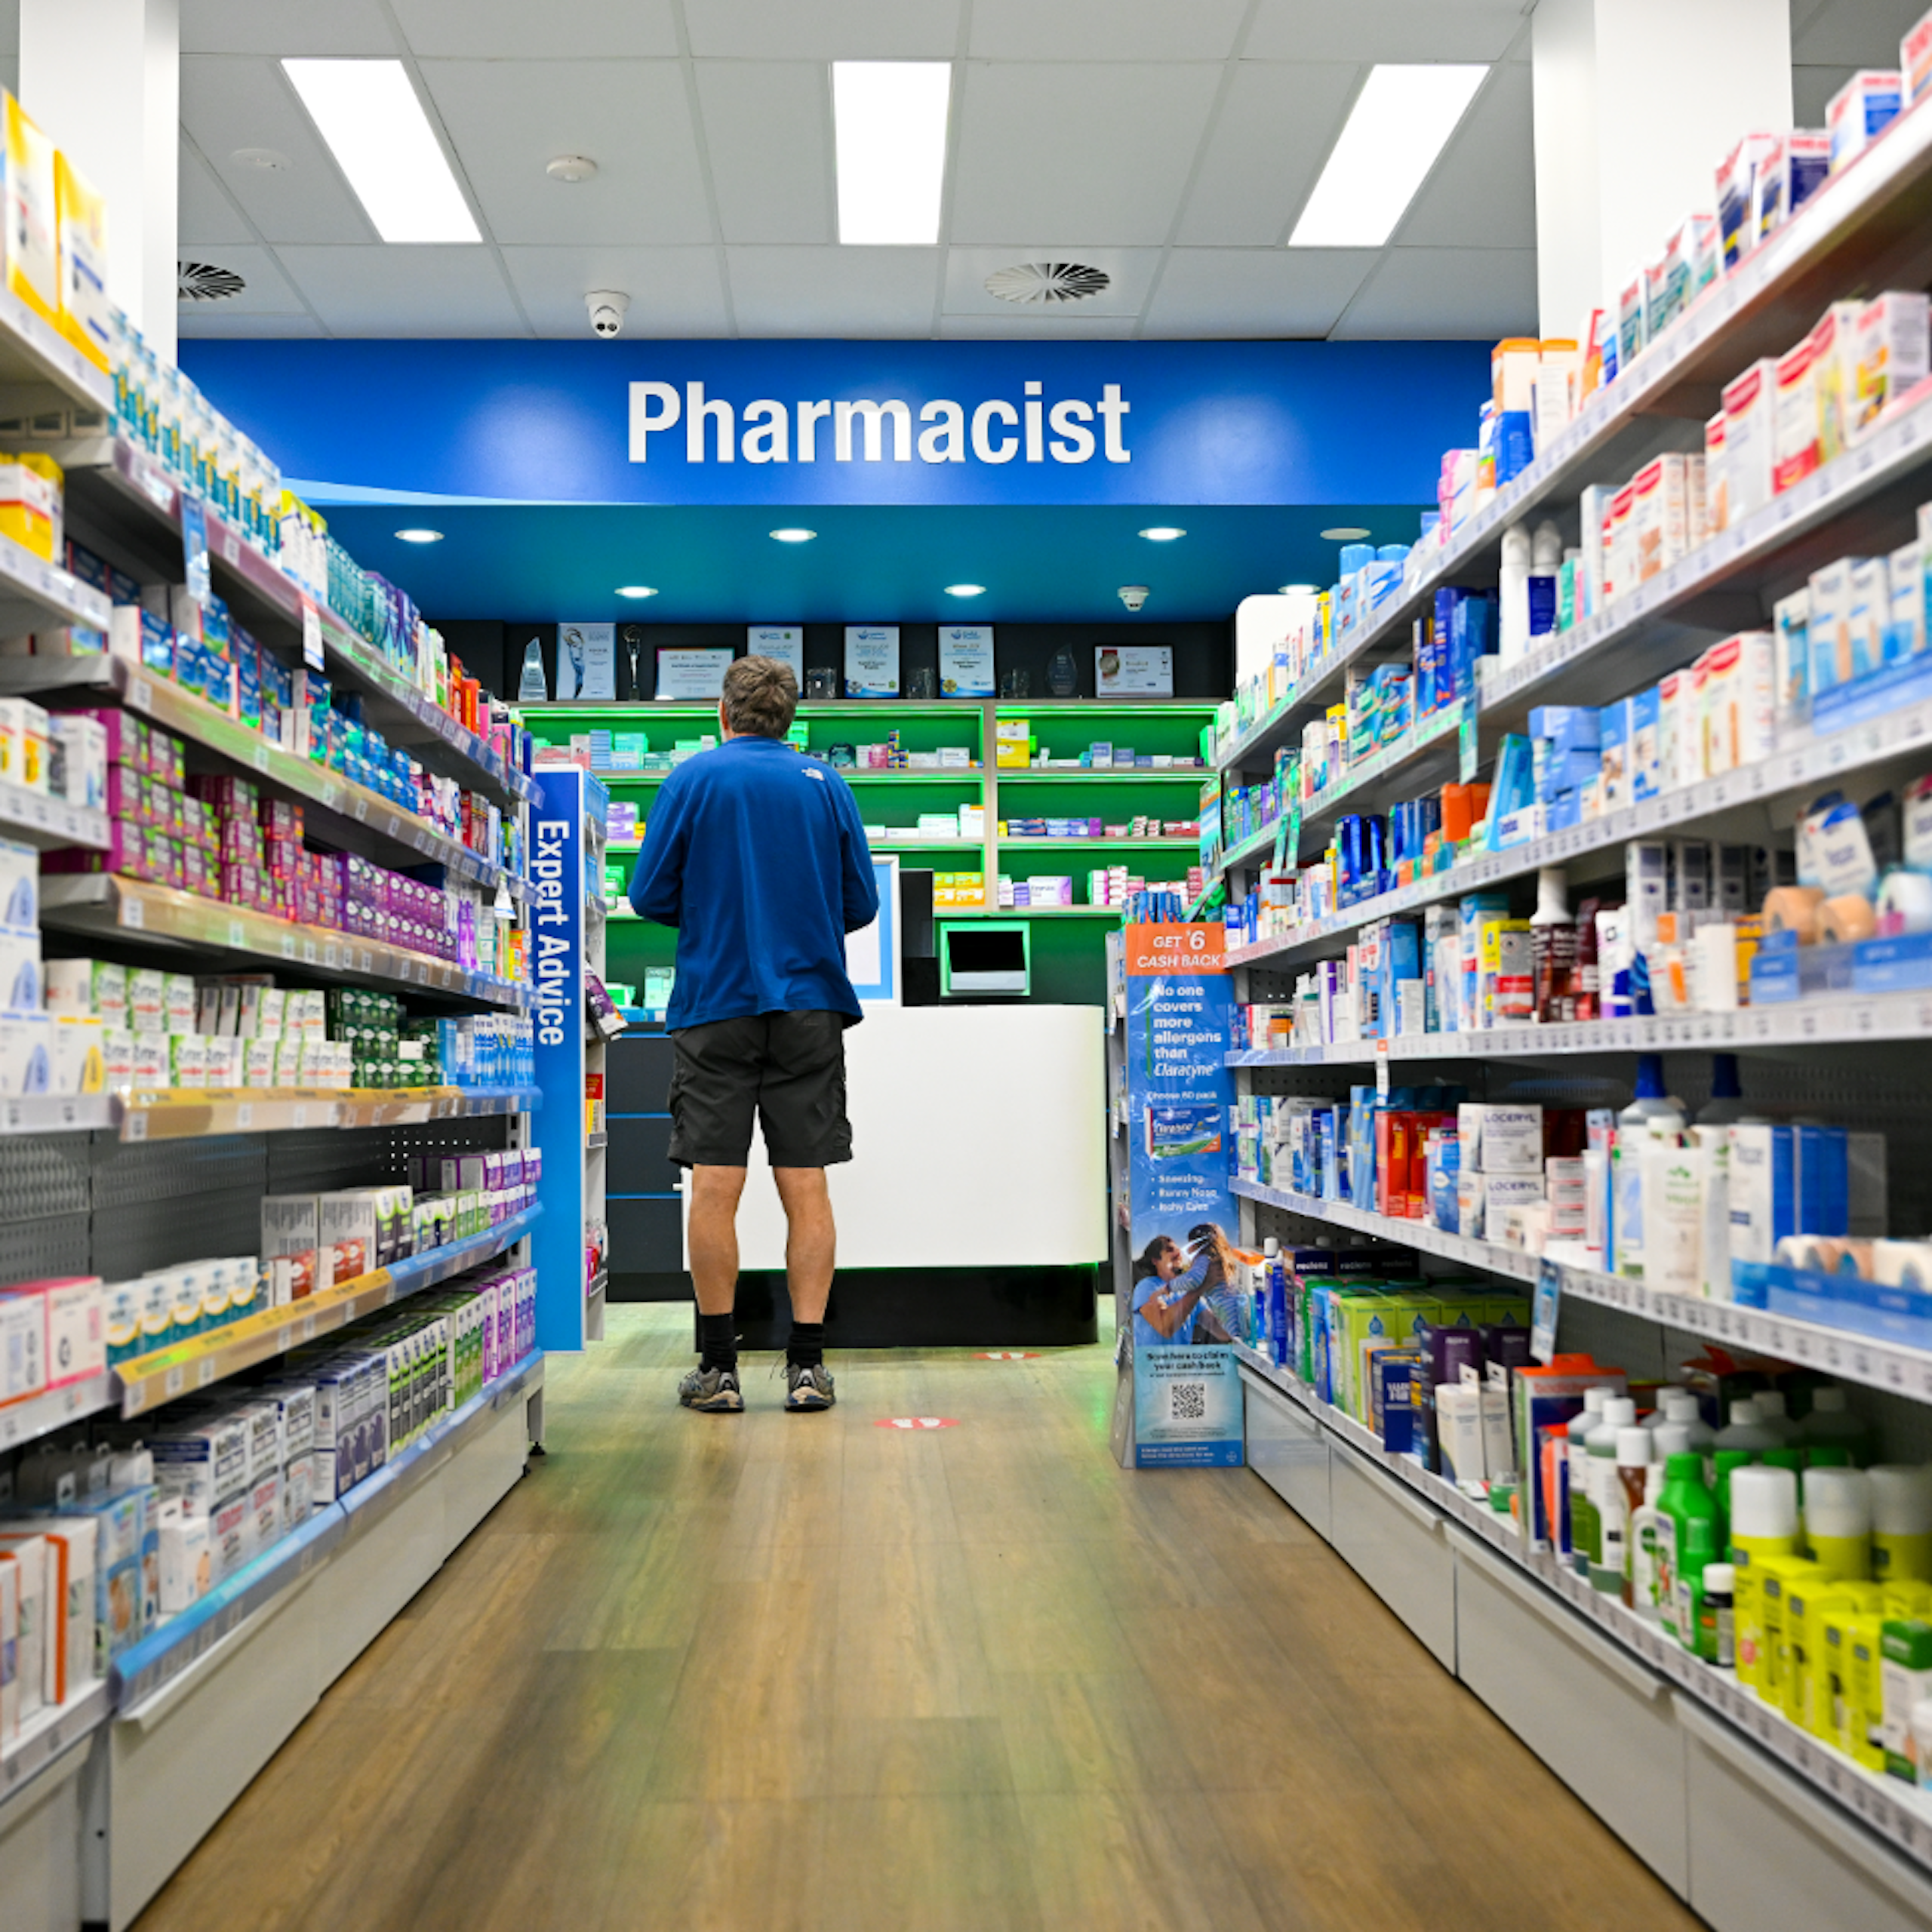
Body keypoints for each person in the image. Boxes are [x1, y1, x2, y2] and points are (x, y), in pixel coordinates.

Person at [627, 655, 878, 1414]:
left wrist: (712, 911)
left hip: (715, 1006)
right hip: (808, 1006)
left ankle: (718, 1369)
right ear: (789, 718)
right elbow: (860, 903)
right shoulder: (824, 784)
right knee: (806, 1183)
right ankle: (807, 1368)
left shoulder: (692, 780)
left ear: (723, 712)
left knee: (714, 1184)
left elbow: (646, 893)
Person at [1130, 1235, 1211, 1349]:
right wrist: (1198, 1290)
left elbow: (1218, 1328)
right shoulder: (1147, 1286)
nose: (1178, 1253)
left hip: (1182, 1363)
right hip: (1153, 1363)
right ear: (1155, 1260)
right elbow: (1165, 1327)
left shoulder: (1186, 1292)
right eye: (1170, 1250)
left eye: (1179, 1251)